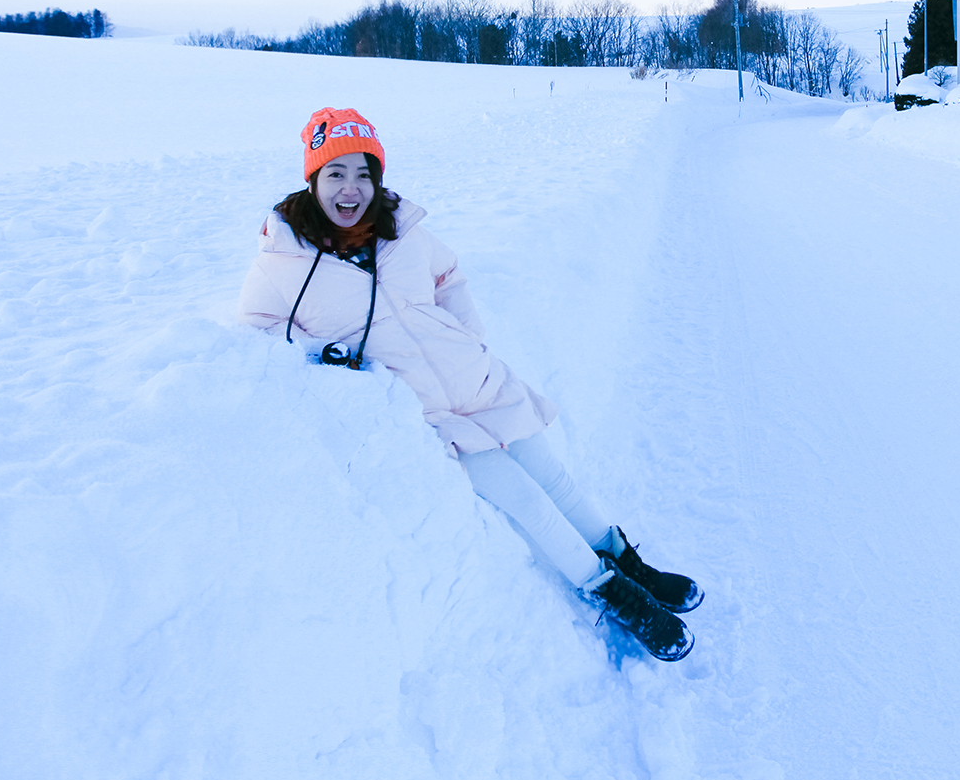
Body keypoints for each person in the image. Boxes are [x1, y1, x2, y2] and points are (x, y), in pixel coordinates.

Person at [238, 107, 701, 661]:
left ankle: (632, 564)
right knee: (527, 501)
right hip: (432, 415)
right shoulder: (282, 262)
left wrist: (466, 332)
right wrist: (327, 361)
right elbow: (257, 338)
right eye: (335, 174)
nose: (351, 189)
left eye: (364, 173)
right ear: (312, 180)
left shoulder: (403, 232)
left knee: (554, 478)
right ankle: (619, 597)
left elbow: (448, 275)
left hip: (477, 379)